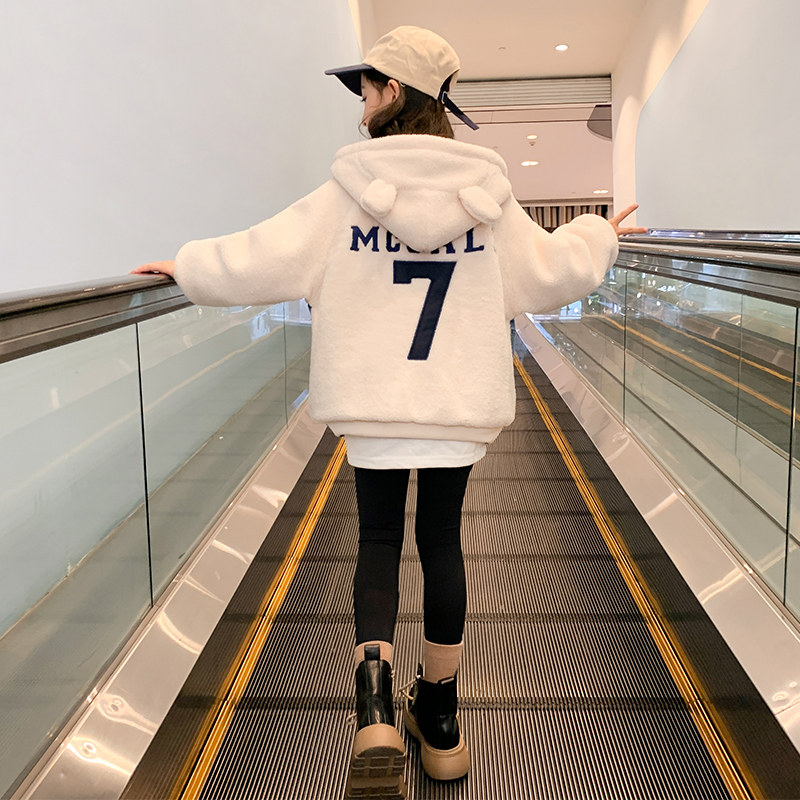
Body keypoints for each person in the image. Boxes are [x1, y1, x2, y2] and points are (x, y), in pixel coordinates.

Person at [132, 25, 645, 800]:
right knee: (441, 542)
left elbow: (263, 255)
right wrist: (600, 235)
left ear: (393, 91)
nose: (360, 103)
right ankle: (440, 719)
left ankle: (373, 712)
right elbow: (549, 269)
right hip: (456, 404)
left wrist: (189, 267)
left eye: (366, 88)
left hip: (373, 405)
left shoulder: (345, 193)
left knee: (376, 540)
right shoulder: (487, 198)